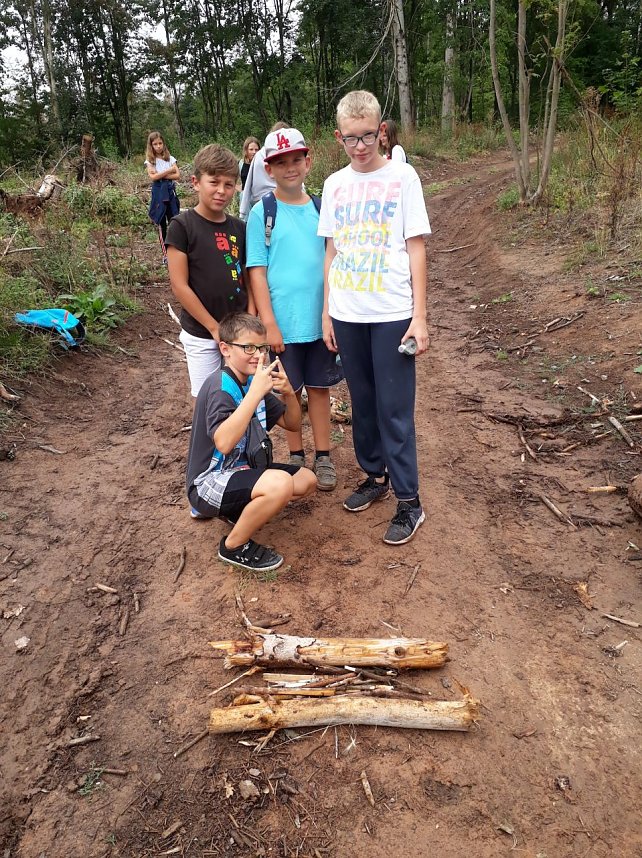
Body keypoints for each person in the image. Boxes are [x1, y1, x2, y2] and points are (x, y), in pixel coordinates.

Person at [318, 90, 431, 545]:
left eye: (368, 135)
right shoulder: (333, 185)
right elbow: (330, 250)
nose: (360, 146)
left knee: (394, 410)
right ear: (339, 137)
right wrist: (327, 312)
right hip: (348, 311)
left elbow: (416, 248)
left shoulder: (403, 178)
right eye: (351, 138)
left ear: (381, 130)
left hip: (391, 312)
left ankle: (409, 500)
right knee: (363, 404)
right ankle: (374, 477)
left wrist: (419, 316)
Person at [246, 128, 343, 491]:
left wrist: (331, 313)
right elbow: (257, 268)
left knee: (320, 389)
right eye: (280, 162)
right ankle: (297, 454)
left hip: (320, 321)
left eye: (296, 160)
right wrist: (268, 321)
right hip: (283, 324)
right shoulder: (262, 213)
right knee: (290, 391)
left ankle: (323, 455)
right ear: (268, 169)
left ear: (308, 161)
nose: (290, 168)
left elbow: (332, 260)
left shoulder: (322, 208)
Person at [186, 312, 317, 571]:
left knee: (305, 480)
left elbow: (291, 423)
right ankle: (233, 546)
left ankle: (236, 510)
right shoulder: (220, 387)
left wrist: (289, 393)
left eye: (262, 347)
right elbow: (223, 443)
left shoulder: (250, 383)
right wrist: (254, 394)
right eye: (248, 347)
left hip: (241, 470)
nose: (258, 355)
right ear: (225, 349)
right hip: (207, 481)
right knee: (280, 485)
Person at [166, 144, 253, 397]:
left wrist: (249, 322)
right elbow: (179, 286)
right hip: (202, 334)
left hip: (239, 334)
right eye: (213, 182)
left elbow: (247, 277)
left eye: (228, 184)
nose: (221, 191)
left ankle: (246, 439)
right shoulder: (182, 226)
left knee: (244, 398)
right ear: (196, 182)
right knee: (209, 399)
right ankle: (209, 439)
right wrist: (214, 328)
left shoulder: (240, 228)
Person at [239, 121, 289, 222]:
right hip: (263, 199)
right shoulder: (261, 154)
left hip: (265, 199)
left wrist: (242, 211)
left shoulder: (261, 154)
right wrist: (243, 210)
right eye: (251, 149)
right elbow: (248, 183)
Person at [145, 131, 180, 262]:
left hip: (170, 191)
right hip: (159, 193)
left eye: (160, 143)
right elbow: (153, 177)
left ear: (163, 144)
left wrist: (161, 174)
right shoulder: (150, 161)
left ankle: (176, 250)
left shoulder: (170, 158)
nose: (158, 146)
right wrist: (169, 171)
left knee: (174, 221)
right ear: (151, 146)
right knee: (161, 223)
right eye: (155, 144)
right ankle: (165, 254)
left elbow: (177, 175)